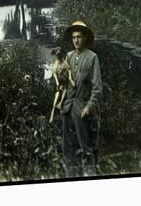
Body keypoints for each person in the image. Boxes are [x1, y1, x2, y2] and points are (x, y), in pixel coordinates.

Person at [60, 20, 102, 177]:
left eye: (79, 37)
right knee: (68, 148)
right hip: (68, 107)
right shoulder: (68, 56)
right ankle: (70, 176)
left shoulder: (92, 58)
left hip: (82, 107)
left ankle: (89, 175)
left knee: (86, 148)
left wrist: (88, 107)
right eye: (73, 37)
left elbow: (97, 88)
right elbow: (64, 84)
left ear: (85, 38)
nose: (76, 40)